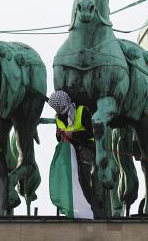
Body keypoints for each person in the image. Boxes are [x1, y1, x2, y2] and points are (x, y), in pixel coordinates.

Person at [48, 90, 102, 218]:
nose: (57, 108)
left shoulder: (81, 111)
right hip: (70, 151)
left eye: (58, 105)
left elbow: (91, 133)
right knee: (70, 178)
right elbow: (60, 138)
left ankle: (94, 211)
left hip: (86, 147)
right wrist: (58, 135)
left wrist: (74, 135)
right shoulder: (58, 118)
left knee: (83, 178)